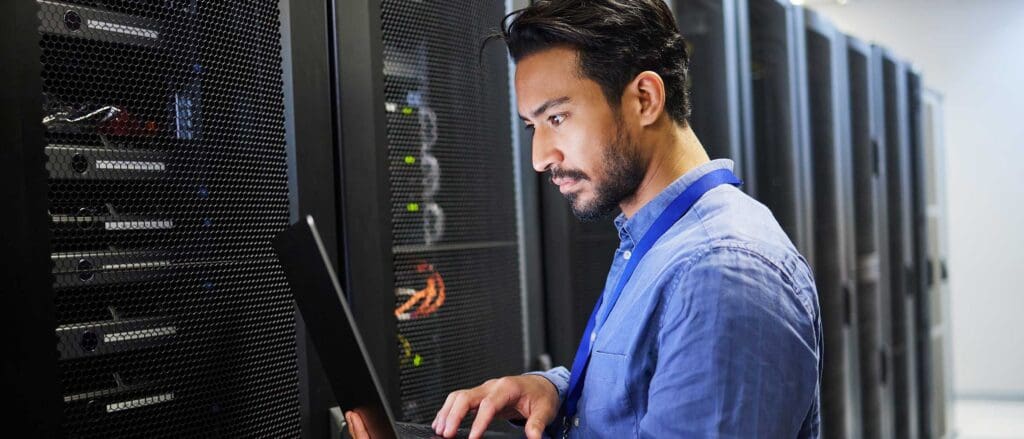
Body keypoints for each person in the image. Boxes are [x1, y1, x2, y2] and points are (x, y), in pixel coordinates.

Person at [348, 0, 821, 437]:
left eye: (557, 118)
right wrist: (556, 391)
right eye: (532, 126)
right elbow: (644, 386)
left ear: (644, 99)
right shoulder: (659, 242)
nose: (538, 157)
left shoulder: (721, 273)